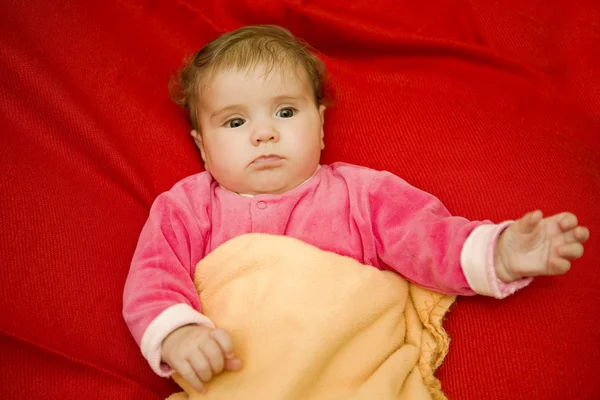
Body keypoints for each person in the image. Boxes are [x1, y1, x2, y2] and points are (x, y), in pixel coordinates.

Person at [122, 25, 590, 393]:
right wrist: (178, 333)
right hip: (242, 374)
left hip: (353, 374)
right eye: (236, 121)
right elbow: (153, 278)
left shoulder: (362, 194)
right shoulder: (185, 207)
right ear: (203, 148)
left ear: (320, 126)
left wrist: (501, 251)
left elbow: (427, 238)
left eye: (285, 112)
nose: (264, 133)